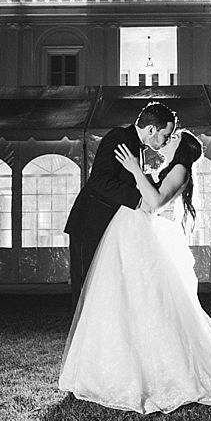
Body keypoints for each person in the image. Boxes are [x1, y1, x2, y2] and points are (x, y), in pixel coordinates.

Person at [58, 129, 211, 414]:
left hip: (143, 234)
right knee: (132, 301)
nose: (167, 140)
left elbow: (155, 201)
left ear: (181, 148)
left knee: (153, 304)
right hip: (132, 232)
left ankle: (164, 373)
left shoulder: (180, 170)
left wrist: (136, 170)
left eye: (172, 139)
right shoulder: (170, 168)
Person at [63, 101, 177, 310]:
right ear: (151, 129)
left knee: (103, 286)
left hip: (109, 228)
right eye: (165, 135)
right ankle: (82, 339)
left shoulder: (136, 146)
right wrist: (139, 201)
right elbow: (99, 181)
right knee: (86, 285)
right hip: (90, 223)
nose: (167, 141)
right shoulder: (120, 137)